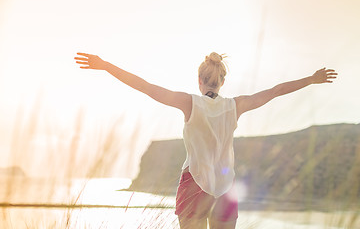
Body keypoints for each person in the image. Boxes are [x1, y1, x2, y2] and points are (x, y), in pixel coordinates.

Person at [74, 52, 337, 229]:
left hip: (194, 184)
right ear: (222, 81)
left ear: (199, 81)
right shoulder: (236, 106)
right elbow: (276, 91)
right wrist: (311, 80)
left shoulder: (189, 103)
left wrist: (106, 65)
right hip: (226, 186)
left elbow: (145, 86)